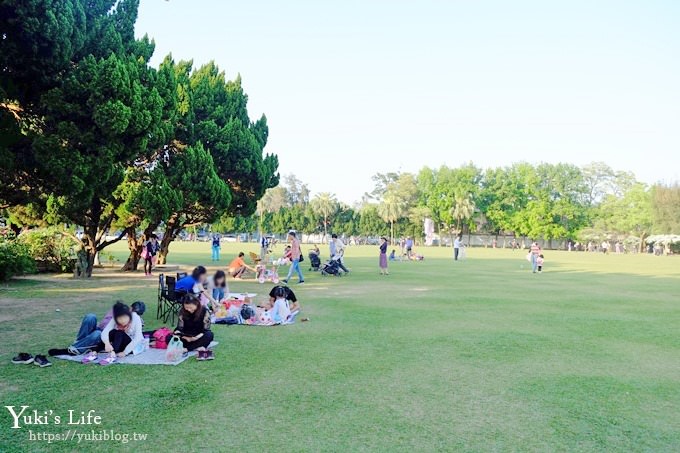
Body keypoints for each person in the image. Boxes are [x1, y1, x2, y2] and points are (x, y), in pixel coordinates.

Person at [47, 301, 146, 356]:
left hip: (101, 336)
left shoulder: (135, 320)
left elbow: (134, 337)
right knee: (91, 317)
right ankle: (80, 341)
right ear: (130, 308)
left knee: (97, 334)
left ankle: (75, 348)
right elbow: (106, 328)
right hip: (100, 331)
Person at [170, 294, 214, 359]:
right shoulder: (182, 311)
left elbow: (205, 329)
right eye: (186, 307)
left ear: (196, 304)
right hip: (185, 336)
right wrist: (178, 333)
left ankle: (186, 349)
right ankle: (196, 347)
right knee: (169, 337)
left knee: (209, 335)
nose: (188, 309)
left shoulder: (204, 311)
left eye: (190, 307)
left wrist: (195, 338)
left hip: (198, 336)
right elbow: (180, 327)